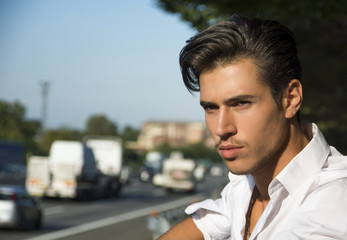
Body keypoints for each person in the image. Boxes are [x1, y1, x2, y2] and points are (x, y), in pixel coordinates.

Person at [159, 14, 347, 240]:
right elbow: (205, 225)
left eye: (240, 103)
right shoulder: (247, 187)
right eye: (210, 107)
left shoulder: (334, 202)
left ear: (290, 99)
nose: (221, 128)